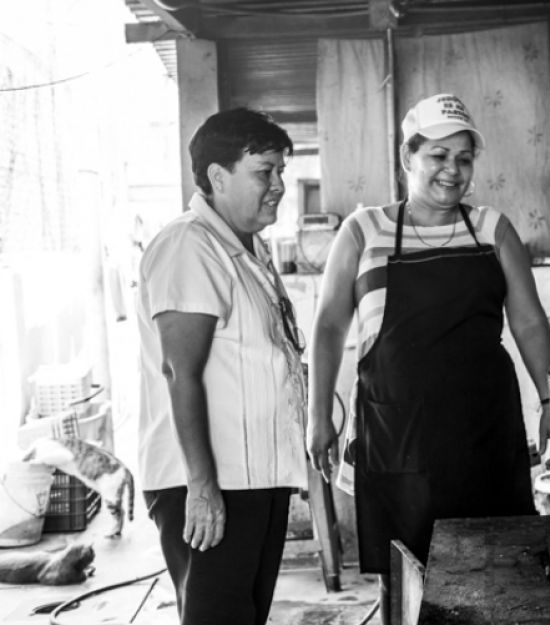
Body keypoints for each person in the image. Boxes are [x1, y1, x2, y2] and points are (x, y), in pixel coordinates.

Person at [307, 93, 550, 621]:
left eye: (463, 159)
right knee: (407, 586)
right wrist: (317, 417)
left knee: (500, 573)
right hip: (400, 441)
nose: (453, 171)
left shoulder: (491, 228)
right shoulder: (364, 231)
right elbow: (329, 327)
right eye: (438, 156)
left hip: (485, 434)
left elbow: (529, 320)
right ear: (408, 159)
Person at [136, 107, 307, 625]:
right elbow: (179, 372)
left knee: (243, 616)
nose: (278, 185)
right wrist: (203, 488)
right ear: (217, 176)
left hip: (253, 479)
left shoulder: (244, 249)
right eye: (264, 172)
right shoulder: (191, 244)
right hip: (215, 482)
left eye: (281, 171)